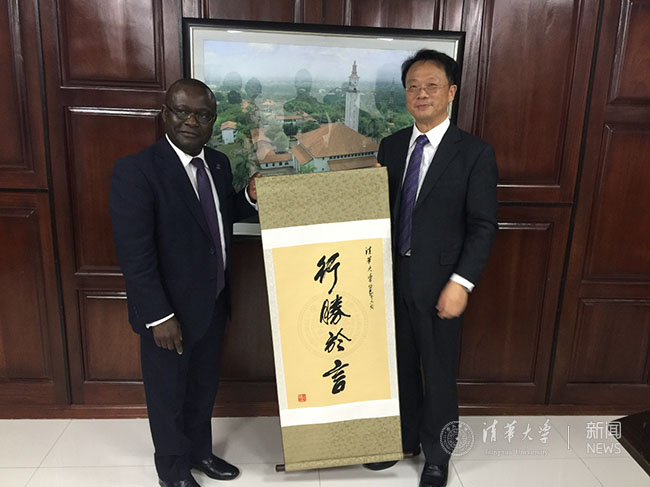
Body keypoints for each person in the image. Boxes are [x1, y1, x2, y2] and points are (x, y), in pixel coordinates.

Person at [110, 78, 259, 487]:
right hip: (168, 313)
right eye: (182, 112)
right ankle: (172, 470)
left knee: (202, 387)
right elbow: (135, 255)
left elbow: (219, 213)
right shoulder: (137, 171)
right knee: (168, 394)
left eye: (203, 115)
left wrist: (248, 196)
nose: (192, 122)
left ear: (213, 120)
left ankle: (199, 453)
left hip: (213, 303)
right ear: (165, 114)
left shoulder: (218, 164)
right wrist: (158, 316)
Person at [366, 50, 498, 487]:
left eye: (431, 86)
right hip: (390, 280)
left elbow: (483, 226)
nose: (421, 94)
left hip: (442, 283)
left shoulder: (474, 153)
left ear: (451, 92)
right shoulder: (391, 146)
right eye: (413, 87)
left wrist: (462, 283)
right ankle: (404, 440)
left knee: (438, 373)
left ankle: (438, 456)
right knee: (399, 365)